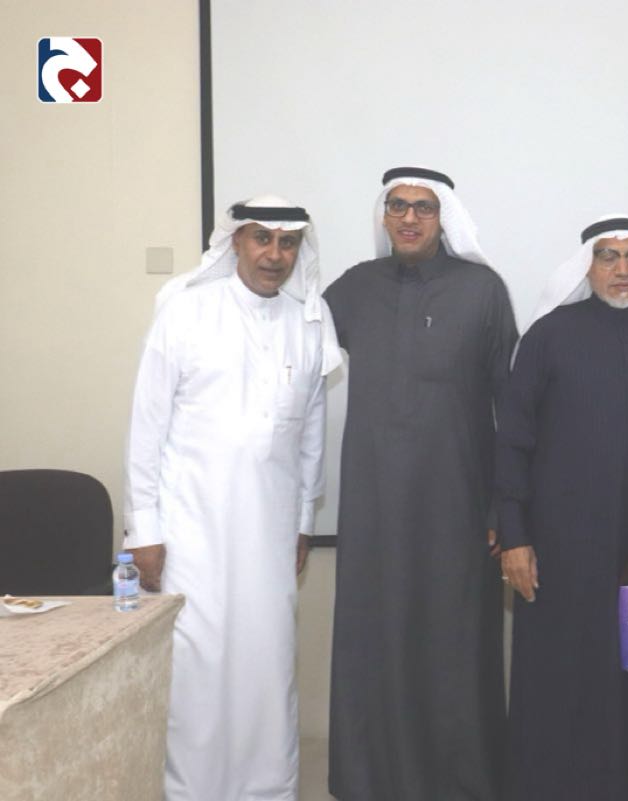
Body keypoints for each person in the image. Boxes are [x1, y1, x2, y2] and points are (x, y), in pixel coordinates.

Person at [124, 196, 339, 801]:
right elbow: (146, 427)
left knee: (267, 668)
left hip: (270, 533)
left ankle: (266, 790)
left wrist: (303, 522)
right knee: (197, 670)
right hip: (191, 530)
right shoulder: (185, 310)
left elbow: (311, 435)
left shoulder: (309, 320)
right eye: (261, 238)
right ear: (236, 241)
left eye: (288, 242)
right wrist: (144, 530)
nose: (275, 254)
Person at [323, 167, 517, 800]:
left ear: (443, 218)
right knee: (375, 639)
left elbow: (511, 406)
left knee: (452, 646)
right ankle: (373, 781)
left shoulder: (482, 290)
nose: (409, 218)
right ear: (384, 216)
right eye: (398, 206)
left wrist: (504, 505)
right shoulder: (354, 288)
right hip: (374, 505)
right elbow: (288, 350)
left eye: (424, 208)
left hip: (456, 505)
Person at [495, 216, 628, 801]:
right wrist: (513, 535)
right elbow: (512, 441)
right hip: (558, 546)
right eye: (608, 256)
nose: (622, 269)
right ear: (587, 266)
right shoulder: (549, 334)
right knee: (561, 677)